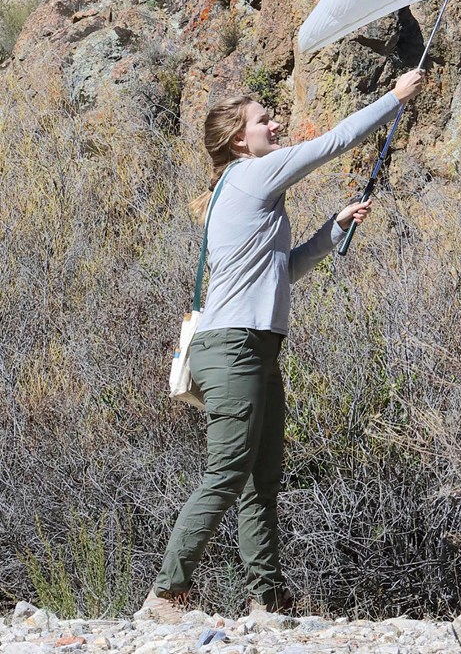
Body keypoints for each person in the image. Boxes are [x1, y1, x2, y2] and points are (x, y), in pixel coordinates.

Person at [138, 69, 425, 623]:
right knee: (227, 471)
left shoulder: (243, 187)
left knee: (261, 477)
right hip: (236, 347)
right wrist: (392, 99)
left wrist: (332, 230)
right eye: (263, 119)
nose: (275, 123)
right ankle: (165, 595)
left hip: (255, 348)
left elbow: (283, 271)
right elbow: (335, 141)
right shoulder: (255, 173)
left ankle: (265, 600)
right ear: (239, 140)